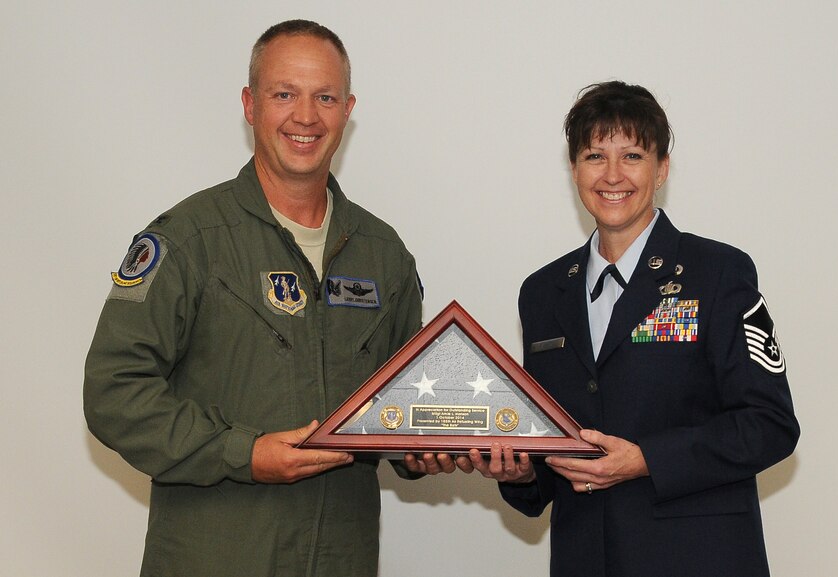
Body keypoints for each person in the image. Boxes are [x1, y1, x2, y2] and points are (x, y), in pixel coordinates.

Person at [84, 20, 422, 577]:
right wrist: (244, 454)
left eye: (325, 97)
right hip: (214, 557)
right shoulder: (189, 240)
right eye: (284, 94)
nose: (306, 116)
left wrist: (436, 448)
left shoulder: (384, 256)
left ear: (348, 109)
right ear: (249, 104)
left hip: (342, 557)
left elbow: (404, 406)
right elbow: (113, 392)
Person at [459, 81, 800, 576]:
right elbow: (551, 458)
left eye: (633, 155)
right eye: (595, 156)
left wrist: (647, 460)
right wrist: (519, 472)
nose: (612, 175)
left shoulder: (718, 272)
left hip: (699, 559)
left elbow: (771, 425)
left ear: (661, 168)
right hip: (585, 560)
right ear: (574, 170)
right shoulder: (543, 292)